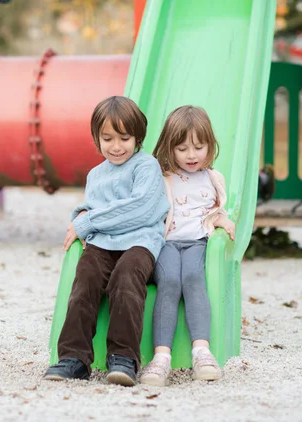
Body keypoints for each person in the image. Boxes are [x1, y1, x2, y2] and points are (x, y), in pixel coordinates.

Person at [43, 96, 170, 386]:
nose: (116, 146)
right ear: (96, 138)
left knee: (125, 279)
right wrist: (83, 216)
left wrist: (87, 221)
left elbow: (140, 209)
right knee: (85, 278)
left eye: (124, 138)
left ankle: (124, 358)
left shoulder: (146, 166)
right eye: (107, 138)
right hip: (103, 244)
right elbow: (92, 208)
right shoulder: (96, 174)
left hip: (139, 242)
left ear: (137, 137)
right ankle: (74, 359)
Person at [139, 105, 235, 386]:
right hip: (167, 243)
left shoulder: (212, 178)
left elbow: (215, 209)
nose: (191, 155)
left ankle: (201, 351)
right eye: (182, 148)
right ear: (169, 147)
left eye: (199, 147)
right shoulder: (162, 176)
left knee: (193, 278)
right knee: (169, 282)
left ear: (210, 145)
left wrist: (221, 220)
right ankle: (161, 358)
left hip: (197, 242)